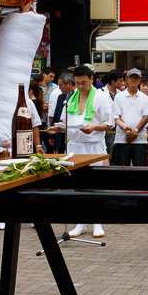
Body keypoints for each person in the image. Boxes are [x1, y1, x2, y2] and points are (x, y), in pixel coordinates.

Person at [47, 64, 113, 238]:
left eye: (84, 82)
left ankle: (97, 222)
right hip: (75, 145)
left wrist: (94, 127)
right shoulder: (71, 97)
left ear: (92, 79)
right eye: (77, 83)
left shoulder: (101, 97)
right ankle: (81, 222)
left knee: (95, 184)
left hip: (93, 145)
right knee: (77, 185)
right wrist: (58, 129)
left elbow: (109, 123)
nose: (80, 86)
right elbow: (65, 122)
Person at [113, 69, 148, 167]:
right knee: (122, 168)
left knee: (140, 168)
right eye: (131, 78)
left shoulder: (144, 97)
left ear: (140, 80)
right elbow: (117, 117)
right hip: (122, 139)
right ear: (126, 80)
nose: (133, 80)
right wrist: (127, 130)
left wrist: (136, 131)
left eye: (136, 78)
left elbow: (146, 117)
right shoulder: (119, 97)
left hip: (140, 140)